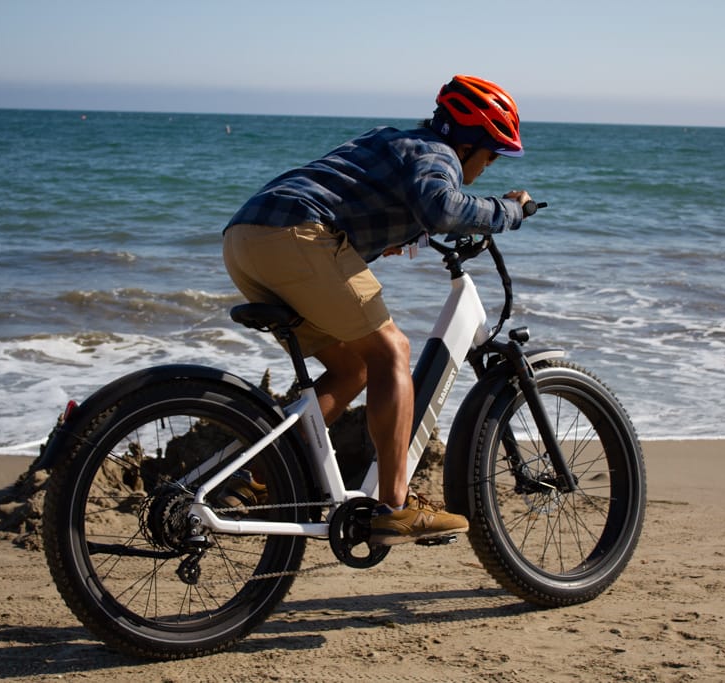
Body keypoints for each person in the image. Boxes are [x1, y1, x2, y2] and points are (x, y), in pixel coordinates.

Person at [221, 74, 537, 545]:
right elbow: (442, 206)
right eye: (491, 154)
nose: (489, 166)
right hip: (297, 235)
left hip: (247, 237)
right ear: (470, 141)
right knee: (392, 351)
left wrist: (399, 235)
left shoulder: (394, 140)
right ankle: (395, 506)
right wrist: (507, 211)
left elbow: (363, 195)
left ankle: (250, 474)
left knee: (352, 370)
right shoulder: (438, 154)